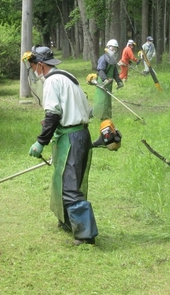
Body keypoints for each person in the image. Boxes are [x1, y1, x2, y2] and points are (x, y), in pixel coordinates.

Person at [22, 46, 98, 246]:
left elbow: (53, 114)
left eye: (33, 66)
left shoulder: (52, 81)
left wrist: (41, 142)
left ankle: (85, 235)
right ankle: (67, 222)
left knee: (70, 186)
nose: (33, 71)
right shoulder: (67, 77)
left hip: (72, 137)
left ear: (40, 65)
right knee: (64, 180)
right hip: (79, 133)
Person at [93, 39, 123, 120]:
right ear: (108, 47)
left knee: (107, 101)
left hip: (109, 84)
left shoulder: (113, 60)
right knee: (101, 100)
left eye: (116, 49)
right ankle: (98, 116)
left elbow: (115, 73)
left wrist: (119, 81)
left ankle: (106, 116)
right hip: (102, 83)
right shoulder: (103, 58)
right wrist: (104, 79)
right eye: (113, 48)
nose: (114, 50)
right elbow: (100, 70)